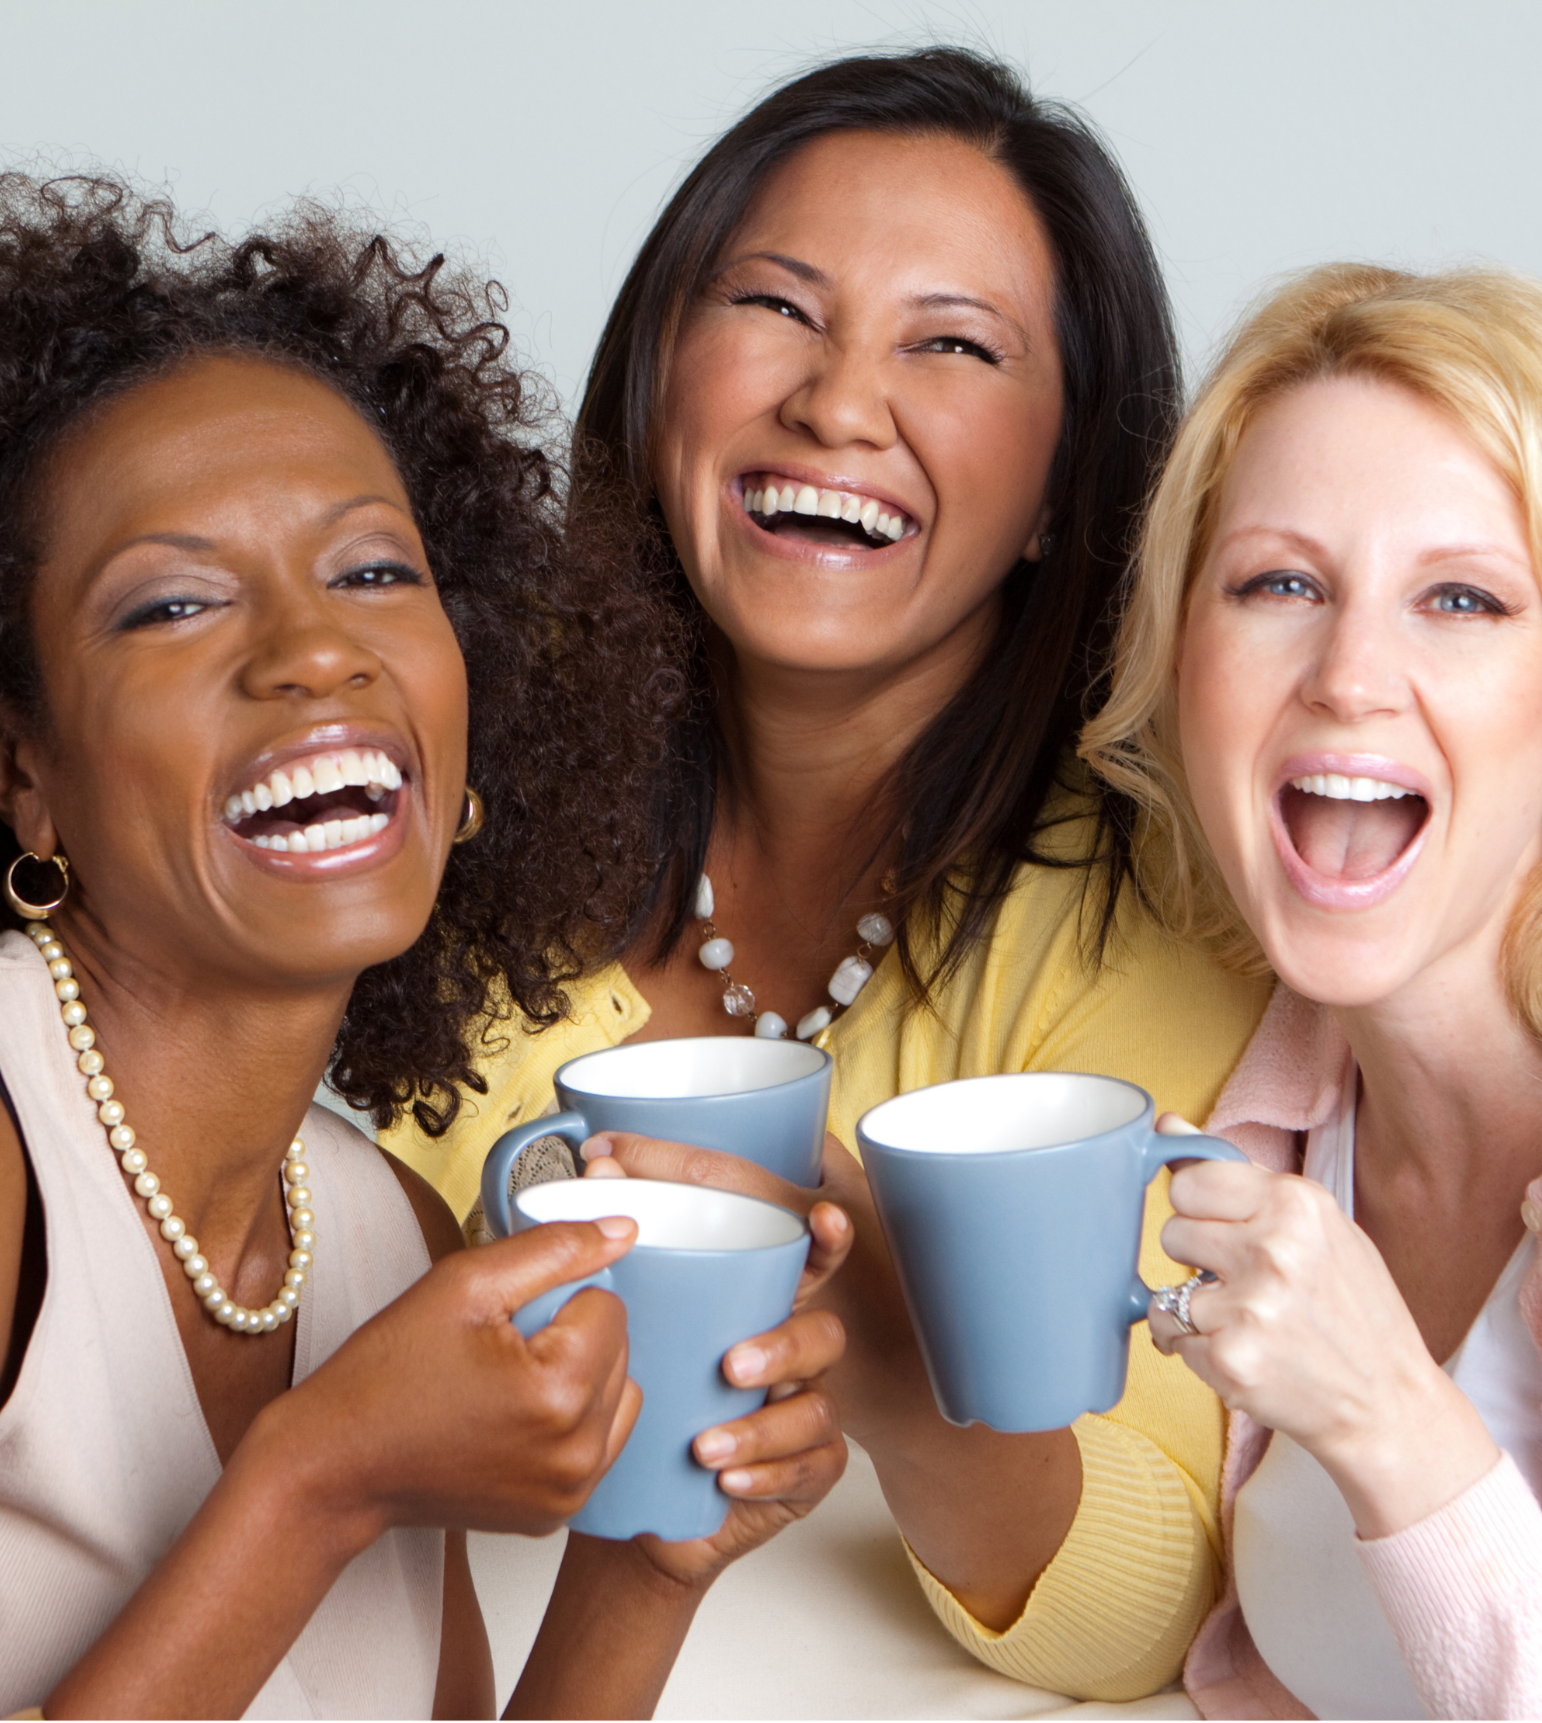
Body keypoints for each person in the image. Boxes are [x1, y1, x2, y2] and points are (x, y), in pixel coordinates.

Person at [389, 48, 1270, 1701]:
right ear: (660, 374)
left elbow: (1144, 1610)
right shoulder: (445, 793)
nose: (838, 401)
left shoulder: (1154, 911)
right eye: (779, 309)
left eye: (952, 343)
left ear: (1060, 488)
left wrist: (874, 1331)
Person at [0, 173, 847, 1720]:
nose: (317, 648)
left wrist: (649, 1560)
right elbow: (315, 1491)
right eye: (174, 603)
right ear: (23, 770)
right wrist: (321, 1478)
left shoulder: (379, 1222)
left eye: (375, 571)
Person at [1079, 262, 1542, 1719]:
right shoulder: (1264, 1109)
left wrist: (1387, 1418)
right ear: (1177, 662)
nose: (1349, 675)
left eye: (1460, 599)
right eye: (1279, 583)